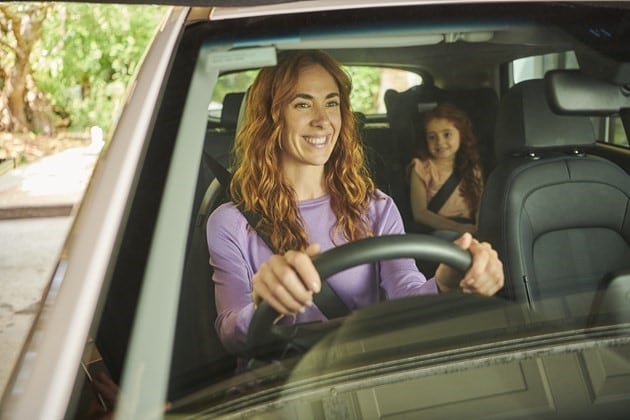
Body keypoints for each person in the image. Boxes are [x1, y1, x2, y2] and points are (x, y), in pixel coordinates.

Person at [206, 50, 503, 360]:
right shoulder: (230, 222)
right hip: (279, 380)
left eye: (331, 103)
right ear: (271, 118)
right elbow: (229, 332)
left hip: (363, 372)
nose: (322, 120)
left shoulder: (375, 207)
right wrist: (266, 306)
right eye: (303, 104)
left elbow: (405, 291)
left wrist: (445, 283)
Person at [408, 103, 484, 234]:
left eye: (447, 134)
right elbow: (420, 213)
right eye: (432, 137)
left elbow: (480, 207)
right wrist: (457, 228)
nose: (440, 142)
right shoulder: (421, 168)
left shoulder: (472, 167)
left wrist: (478, 229)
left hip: (471, 229)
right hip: (438, 230)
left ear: (461, 134)